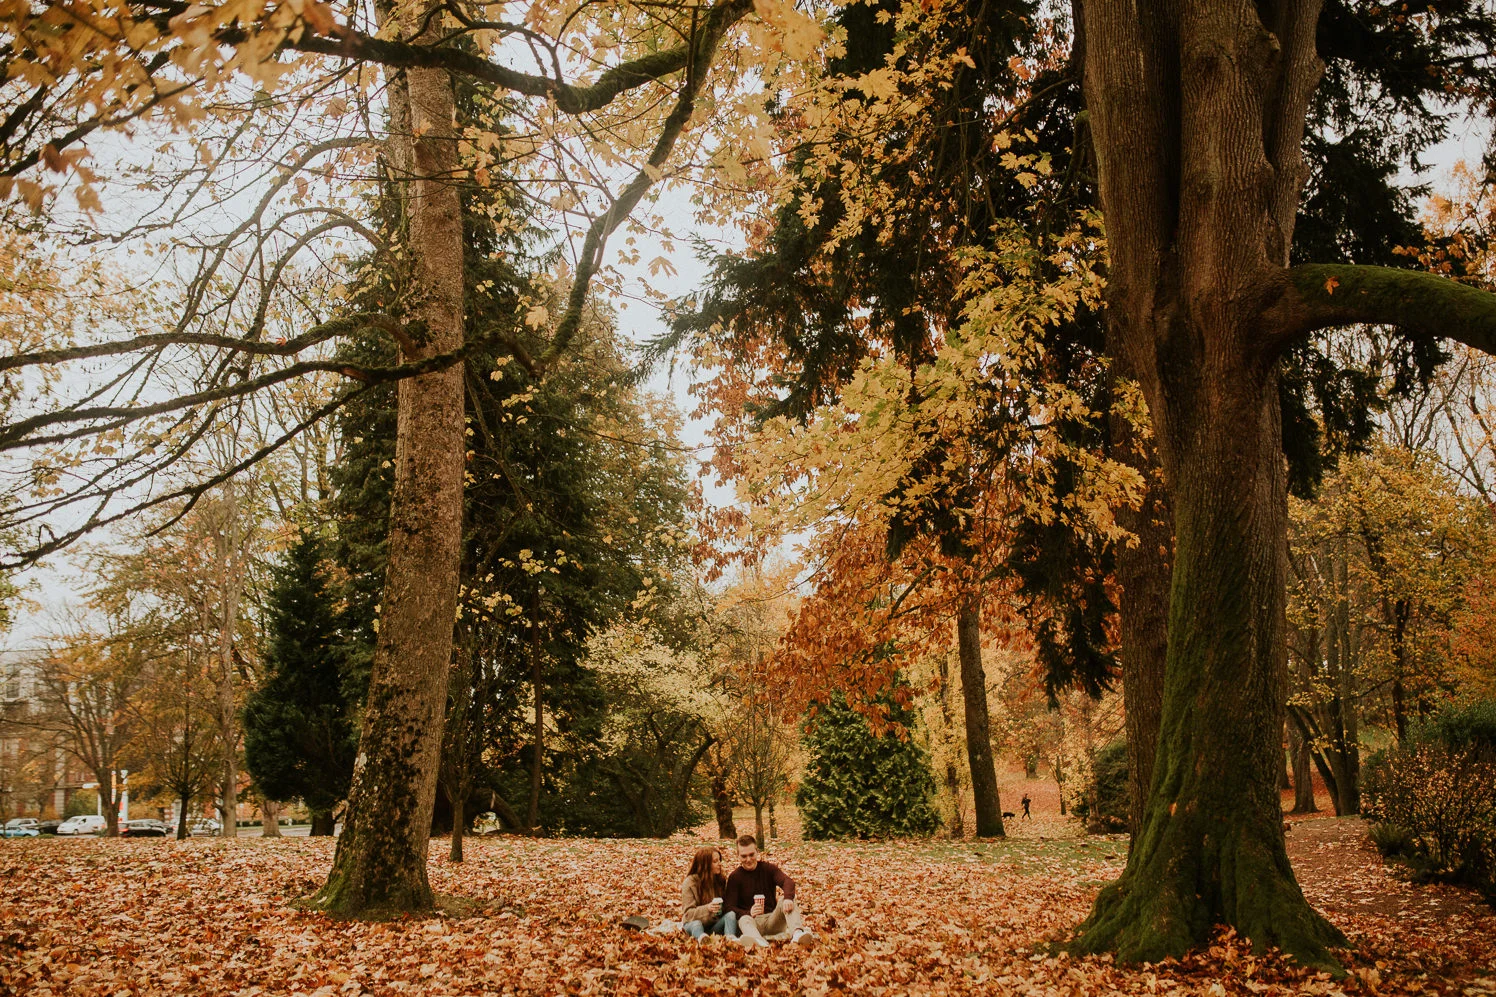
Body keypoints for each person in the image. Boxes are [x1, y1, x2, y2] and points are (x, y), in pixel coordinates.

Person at [723, 833, 816, 948]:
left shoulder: (768, 869)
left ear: (757, 852)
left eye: (751, 854)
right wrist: (748, 912)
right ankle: (758, 941)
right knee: (743, 919)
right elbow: (729, 907)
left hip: (772, 920)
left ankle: (797, 933)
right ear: (738, 856)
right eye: (744, 856)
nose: (748, 859)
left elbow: (787, 881)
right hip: (751, 922)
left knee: (788, 898)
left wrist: (788, 898)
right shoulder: (735, 877)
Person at [679, 845, 736, 940]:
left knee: (731, 915)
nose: (719, 864)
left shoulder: (720, 880)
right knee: (697, 924)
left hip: (713, 926)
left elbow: (725, 908)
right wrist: (707, 908)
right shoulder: (690, 882)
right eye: (715, 861)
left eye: (719, 860)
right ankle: (703, 939)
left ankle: (731, 940)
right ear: (705, 865)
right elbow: (688, 915)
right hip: (693, 925)